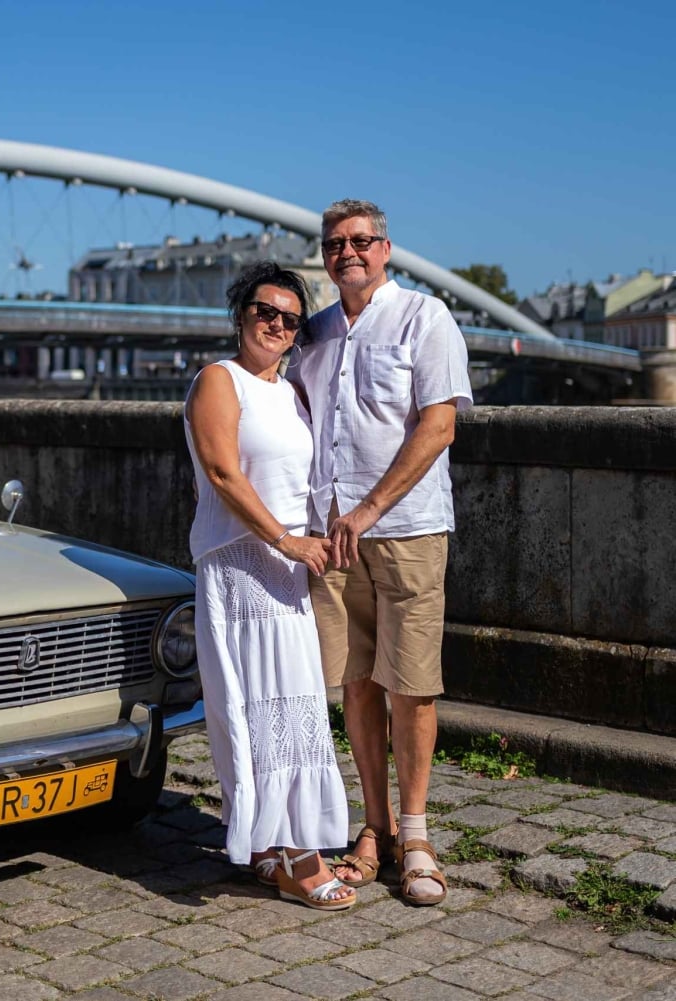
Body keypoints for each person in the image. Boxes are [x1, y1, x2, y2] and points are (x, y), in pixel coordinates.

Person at [290, 199, 472, 906]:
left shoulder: (425, 318)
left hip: (406, 530)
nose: (347, 253)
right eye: (335, 244)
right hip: (332, 538)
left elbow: (439, 426)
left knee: (412, 683)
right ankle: (374, 828)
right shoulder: (315, 332)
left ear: (386, 248)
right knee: (357, 682)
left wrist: (367, 509)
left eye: (360, 241)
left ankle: (418, 833)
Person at [183, 261, 353, 911]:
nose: (277, 323)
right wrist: (286, 540)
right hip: (243, 564)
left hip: (287, 568)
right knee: (262, 707)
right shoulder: (218, 382)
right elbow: (225, 475)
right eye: (265, 310)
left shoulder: (289, 391)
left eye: (290, 317)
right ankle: (298, 856)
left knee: (294, 706)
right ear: (240, 313)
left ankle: (267, 846)